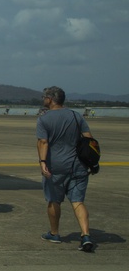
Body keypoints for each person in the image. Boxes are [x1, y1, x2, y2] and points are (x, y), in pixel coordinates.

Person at [37, 86, 95, 252]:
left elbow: (43, 142)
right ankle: (85, 236)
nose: (43, 100)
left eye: (44, 97)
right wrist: (90, 162)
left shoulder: (44, 119)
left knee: (54, 200)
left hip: (55, 166)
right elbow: (89, 139)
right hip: (78, 166)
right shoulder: (76, 116)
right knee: (77, 201)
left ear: (50, 99)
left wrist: (42, 162)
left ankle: (54, 233)